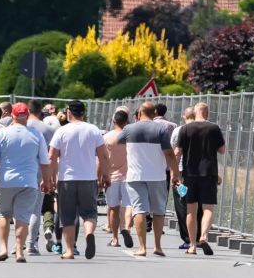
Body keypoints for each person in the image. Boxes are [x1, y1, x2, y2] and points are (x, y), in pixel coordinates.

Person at [0, 103, 51, 263]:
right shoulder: (36, 135)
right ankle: (20, 250)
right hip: (28, 182)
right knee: (23, 217)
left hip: (6, 181)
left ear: (12, 116)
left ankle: (3, 248)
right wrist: (47, 182)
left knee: (3, 214)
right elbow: (45, 162)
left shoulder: (2, 133)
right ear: (27, 116)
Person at [48, 100, 110, 260]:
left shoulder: (61, 131)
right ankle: (89, 233)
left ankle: (69, 250)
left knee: (67, 215)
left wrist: (50, 178)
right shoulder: (93, 130)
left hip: (66, 179)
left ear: (69, 112)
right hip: (88, 178)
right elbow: (103, 155)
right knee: (90, 213)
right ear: (83, 113)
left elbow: (52, 157)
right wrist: (105, 174)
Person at [118, 101, 180, 257]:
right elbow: (170, 154)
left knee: (139, 210)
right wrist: (175, 173)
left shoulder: (129, 129)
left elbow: (117, 141)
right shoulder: (161, 129)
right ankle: (157, 246)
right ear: (155, 113)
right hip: (157, 176)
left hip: (135, 176)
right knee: (158, 211)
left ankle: (142, 247)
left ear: (139, 113)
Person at [175, 103, 224, 255]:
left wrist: (175, 173)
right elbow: (222, 150)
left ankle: (192, 245)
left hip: (189, 174)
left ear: (195, 113)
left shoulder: (185, 129)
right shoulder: (214, 128)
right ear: (207, 114)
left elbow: (177, 152)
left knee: (191, 209)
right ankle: (204, 236)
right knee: (208, 208)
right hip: (209, 173)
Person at [26, 99, 57, 255]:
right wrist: (51, 178)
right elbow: (51, 157)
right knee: (35, 211)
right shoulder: (48, 130)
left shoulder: (18, 127)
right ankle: (31, 244)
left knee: (19, 212)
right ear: (40, 112)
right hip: (39, 172)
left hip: (19, 173)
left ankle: (17, 244)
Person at [171, 107, 204, 249]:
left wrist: (173, 173)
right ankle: (198, 236)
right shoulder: (204, 128)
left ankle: (187, 238)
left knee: (182, 203)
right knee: (199, 204)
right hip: (201, 172)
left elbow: (175, 152)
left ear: (184, 116)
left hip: (182, 172)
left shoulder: (179, 130)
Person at [103, 109, 134, 248]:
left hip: (112, 177)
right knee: (128, 206)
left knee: (114, 208)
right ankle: (126, 228)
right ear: (127, 121)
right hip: (129, 176)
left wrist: (100, 176)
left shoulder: (107, 137)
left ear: (113, 121)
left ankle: (115, 238)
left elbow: (102, 159)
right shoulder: (130, 137)